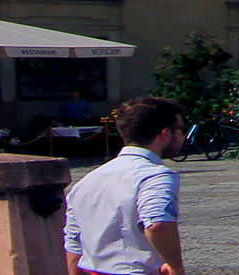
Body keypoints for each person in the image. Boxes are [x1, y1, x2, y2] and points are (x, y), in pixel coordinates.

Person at [63, 96, 186, 275]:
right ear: (165, 133)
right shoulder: (155, 175)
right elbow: (157, 224)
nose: (183, 136)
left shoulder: (87, 181)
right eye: (182, 129)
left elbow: (74, 242)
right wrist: (176, 266)